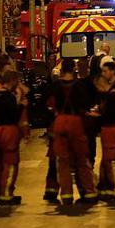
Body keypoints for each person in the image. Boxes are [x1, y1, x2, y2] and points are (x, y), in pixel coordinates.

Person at [50, 68, 99, 205]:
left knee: (63, 162)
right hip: (75, 122)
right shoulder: (78, 86)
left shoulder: (56, 86)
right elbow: (85, 104)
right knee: (81, 160)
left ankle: (66, 195)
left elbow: (50, 104)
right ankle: (89, 192)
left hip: (60, 121)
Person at [43, 58, 76, 203]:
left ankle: (52, 191)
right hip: (75, 125)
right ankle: (86, 192)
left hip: (56, 124)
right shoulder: (78, 86)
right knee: (77, 160)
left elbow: (47, 105)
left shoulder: (54, 86)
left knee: (55, 161)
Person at [0, 71, 24, 203]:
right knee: (10, 162)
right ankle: (7, 192)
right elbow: (14, 116)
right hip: (9, 130)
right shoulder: (9, 97)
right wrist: (20, 105)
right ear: (12, 81)